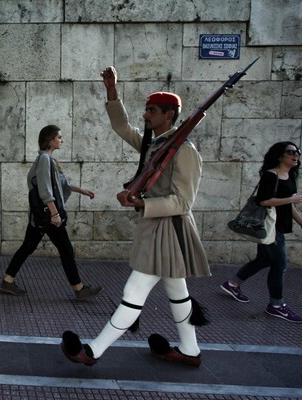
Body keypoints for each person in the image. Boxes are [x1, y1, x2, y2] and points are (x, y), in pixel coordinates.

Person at [61, 66, 210, 368]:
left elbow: (183, 201)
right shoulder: (156, 145)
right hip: (158, 227)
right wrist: (111, 91)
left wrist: (140, 204)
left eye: (152, 111)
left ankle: (93, 352)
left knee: (134, 291)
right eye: (145, 110)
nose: (146, 115)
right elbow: (123, 127)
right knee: (177, 292)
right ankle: (190, 350)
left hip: (169, 230)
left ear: (169, 115)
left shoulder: (184, 151)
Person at [0, 124, 103, 301]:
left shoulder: (49, 160)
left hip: (41, 217)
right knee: (66, 249)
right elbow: (46, 191)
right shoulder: (45, 160)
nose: (61, 140)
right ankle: (79, 289)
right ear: (50, 140)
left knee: (28, 247)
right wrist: (55, 214)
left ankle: (7, 281)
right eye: (59, 137)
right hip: (48, 216)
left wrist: (82, 191)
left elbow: (62, 185)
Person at [221, 141, 302, 323]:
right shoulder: (270, 176)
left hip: (278, 227)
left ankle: (232, 284)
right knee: (280, 265)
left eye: (298, 152)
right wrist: (290, 198)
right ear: (280, 155)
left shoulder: (289, 175)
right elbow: (264, 201)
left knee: (263, 260)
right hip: (270, 228)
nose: (296, 155)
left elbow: (289, 206)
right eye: (291, 152)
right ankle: (276, 305)